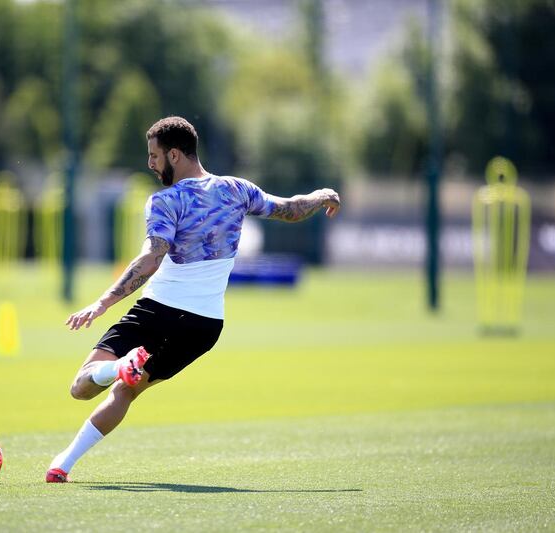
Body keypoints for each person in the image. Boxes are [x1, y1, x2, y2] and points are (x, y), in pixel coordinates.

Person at [45, 116, 340, 483]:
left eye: (154, 156)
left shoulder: (166, 201)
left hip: (158, 311)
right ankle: (62, 465)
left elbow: (151, 258)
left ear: (174, 154)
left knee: (81, 386)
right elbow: (290, 209)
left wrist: (102, 303)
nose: (151, 164)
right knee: (126, 391)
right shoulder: (236, 189)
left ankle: (113, 375)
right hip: (204, 326)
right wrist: (321, 196)